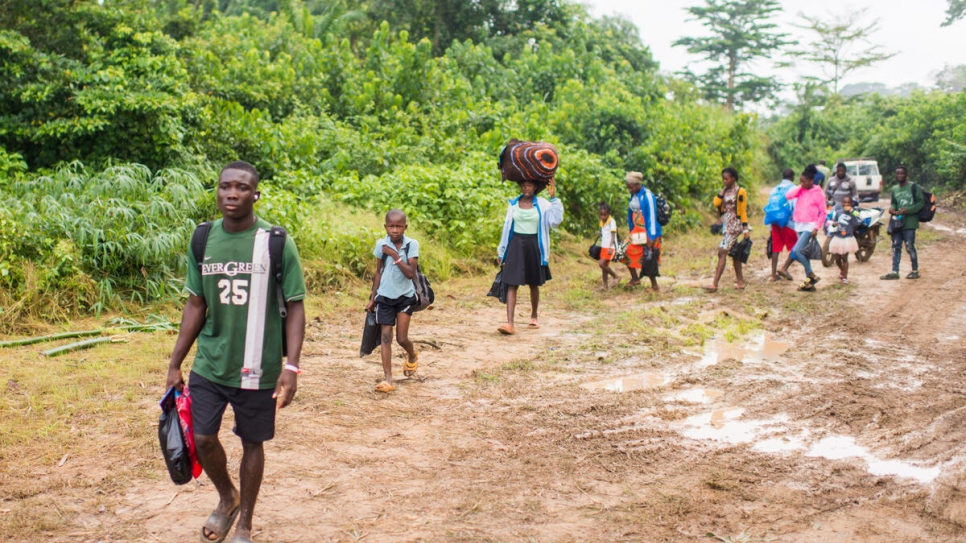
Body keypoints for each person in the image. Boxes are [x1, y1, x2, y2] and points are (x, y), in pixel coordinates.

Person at [166, 161, 306, 543]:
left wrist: (291, 366)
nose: (232, 194)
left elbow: (295, 305)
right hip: (210, 362)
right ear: (217, 191)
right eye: (225, 186)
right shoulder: (203, 238)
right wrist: (175, 362)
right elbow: (196, 304)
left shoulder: (276, 241)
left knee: (252, 443)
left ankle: (245, 521)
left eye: (242, 188)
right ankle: (227, 496)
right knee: (203, 437)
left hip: (258, 366)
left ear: (255, 194)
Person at [496, 178, 563, 334]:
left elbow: (555, 222)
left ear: (535, 188)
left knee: (533, 283)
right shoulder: (513, 205)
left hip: (534, 245)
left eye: (530, 185)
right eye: (524, 185)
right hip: (516, 245)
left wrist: (554, 198)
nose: (526, 188)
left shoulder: (543, 204)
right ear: (521, 187)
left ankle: (534, 316)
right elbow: (506, 228)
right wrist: (502, 251)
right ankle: (509, 323)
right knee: (512, 283)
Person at [365, 209, 420, 393]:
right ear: (385, 227)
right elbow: (378, 272)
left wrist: (395, 256)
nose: (394, 230)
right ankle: (388, 378)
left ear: (405, 227)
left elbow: (411, 273)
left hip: (405, 296)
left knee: (401, 338)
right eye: (391, 226)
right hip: (385, 296)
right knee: (386, 337)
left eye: (398, 226)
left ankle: (412, 354)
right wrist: (373, 298)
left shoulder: (412, 245)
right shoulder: (381, 245)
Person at [779, 164, 827, 292]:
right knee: (803, 252)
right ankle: (809, 283)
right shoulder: (800, 190)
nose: (802, 184)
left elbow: (823, 212)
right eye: (800, 181)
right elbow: (788, 195)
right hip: (799, 224)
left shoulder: (818, 193)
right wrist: (800, 186)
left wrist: (817, 227)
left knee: (797, 251)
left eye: (804, 182)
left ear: (811, 181)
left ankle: (811, 274)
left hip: (810, 226)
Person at [705, 167, 749, 292]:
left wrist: (745, 228)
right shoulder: (726, 191)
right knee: (735, 254)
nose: (724, 181)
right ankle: (740, 282)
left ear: (733, 178)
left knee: (722, 251)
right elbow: (716, 203)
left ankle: (715, 284)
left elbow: (743, 211)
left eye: (727, 179)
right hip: (727, 225)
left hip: (735, 226)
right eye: (723, 179)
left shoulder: (740, 191)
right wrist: (723, 190)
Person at [880, 165, 924, 280]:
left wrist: (908, 210)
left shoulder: (914, 187)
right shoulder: (894, 189)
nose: (900, 176)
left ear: (906, 174)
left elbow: (920, 203)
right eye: (898, 174)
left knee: (909, 246)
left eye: (902, 173)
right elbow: (894, 202)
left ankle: (915, 270)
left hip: (910, 223)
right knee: (896, 246)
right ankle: (895, 271)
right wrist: (892, 209)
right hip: (897, 223)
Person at [624, 171, 662, 290]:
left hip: (648, 231)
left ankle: (654, 286)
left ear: (637, 184)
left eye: (630, 187)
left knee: (648, 257)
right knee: (624, 251)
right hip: (636, 230)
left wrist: (651, 236)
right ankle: (635, 278)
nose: (629, 189)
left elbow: (651, 216)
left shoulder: (648, 196)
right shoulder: (634, 195)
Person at [770, 169, 799, 282]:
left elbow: (770, 207)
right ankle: (784, 268)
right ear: (792, 177)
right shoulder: (794, 189)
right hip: (788, 223)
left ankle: (773, 275)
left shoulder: (774, 189)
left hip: (774, 222)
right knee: (796, 248)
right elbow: (796, 208)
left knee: (775, 249)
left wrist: (769, 227)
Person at [828, 196, 861, 284]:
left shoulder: (853, 214)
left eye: (848, 203)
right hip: (838, 237)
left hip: (847, 238)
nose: (846, 205)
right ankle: (842, 270)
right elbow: (833, 223)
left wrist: (853, 211)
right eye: (845, 203)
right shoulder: (838, 213)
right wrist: (834, 224)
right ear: (842, 204)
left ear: (852, 204)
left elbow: (861, 219)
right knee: (837, 259)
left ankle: (845, 277)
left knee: (844, 258)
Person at [597, 202, 620, 289]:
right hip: (604, 246)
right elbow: (605, 233)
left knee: (601, 264)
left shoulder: (612, 221)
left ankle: (616, 276)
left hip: (610, 247)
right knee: (604, 267)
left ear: (609, 214)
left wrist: (610, 247)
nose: (602, 217)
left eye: (604, 215)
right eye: (601, 215)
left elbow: (613, 235)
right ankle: (605, 286)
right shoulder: (602, 222)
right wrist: (600, 233)